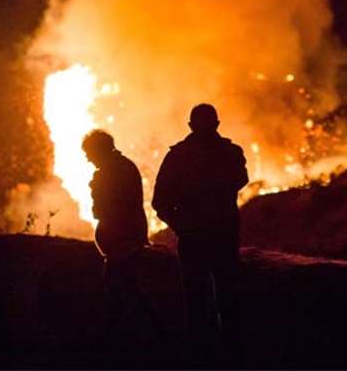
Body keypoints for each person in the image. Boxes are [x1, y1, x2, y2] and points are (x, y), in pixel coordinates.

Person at [152, 104, 249, 367]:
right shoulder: (230, 152)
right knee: (226, 293)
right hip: (222, 234)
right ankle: (231, 353)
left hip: (195, 236)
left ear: (190, 126)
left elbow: (159, 201)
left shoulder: (178, 156)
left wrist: (181, 224)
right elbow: (241, 180)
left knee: (196, 296)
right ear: (217, 124)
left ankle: (201, 354)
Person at [82, 129, 161, 350]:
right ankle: (127, 333)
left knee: (120, 285)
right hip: (126, 236)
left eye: (89, 153)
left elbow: (106, 208)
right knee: (124, 285)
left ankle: (127, 336)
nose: (88, 159)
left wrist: (96, 190)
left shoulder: (112, 172)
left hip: (122, 238)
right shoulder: (123, 166)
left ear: (99, 150)